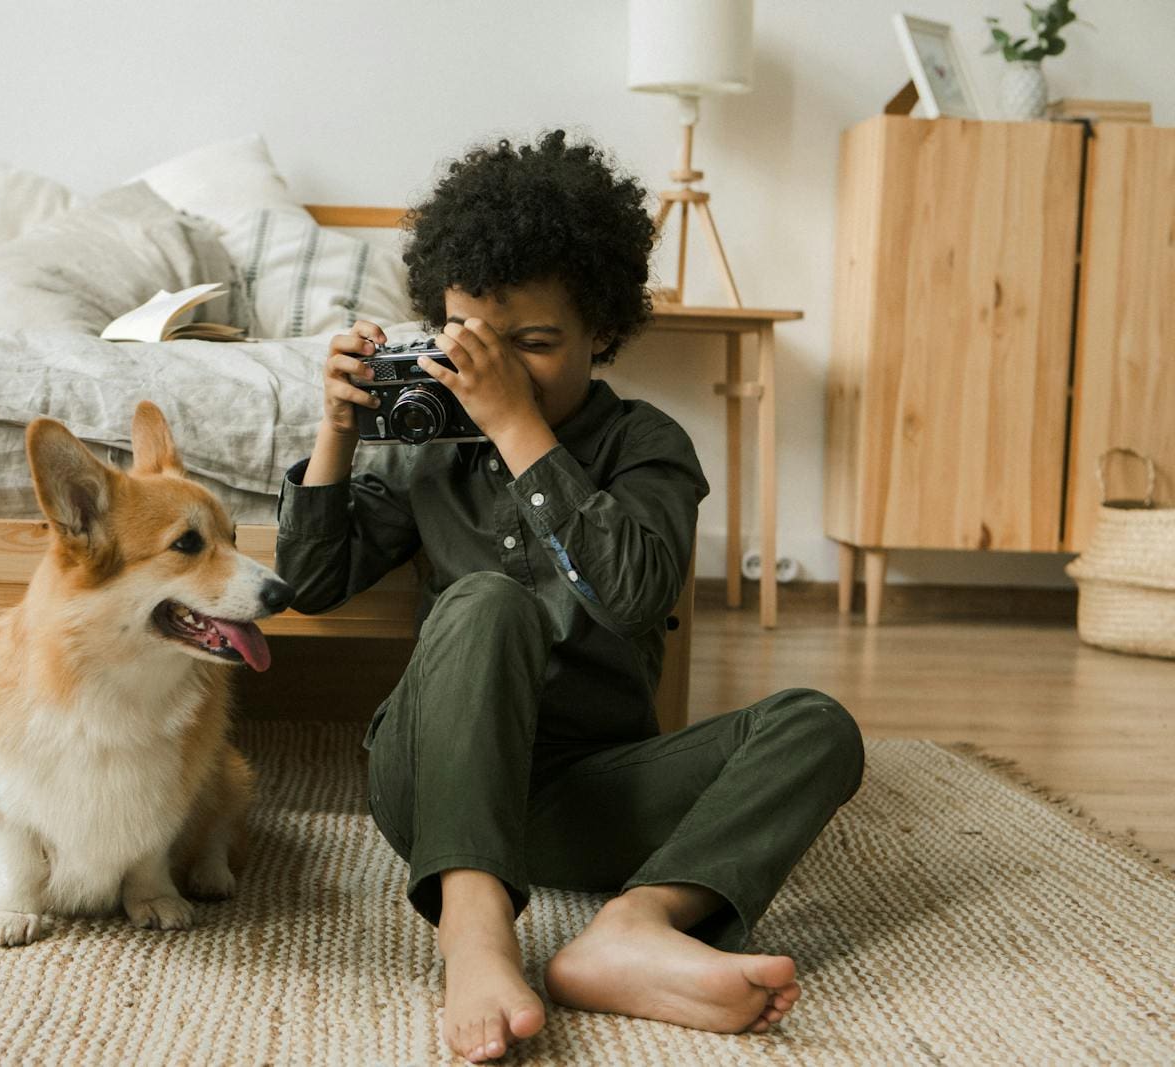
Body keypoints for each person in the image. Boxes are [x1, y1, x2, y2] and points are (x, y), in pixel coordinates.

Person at [273, 130, 864, 1063]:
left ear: (603, 330)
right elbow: (307, 583)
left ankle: (634, 926)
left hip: (591, 794)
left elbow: (632, 591)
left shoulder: (646, 444)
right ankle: (473, 929)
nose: (501, 370)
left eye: (536, 345)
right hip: (433, 786)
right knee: (488, 601)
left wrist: (514, 424)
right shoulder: (433, 447)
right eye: (478, 343)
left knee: (817, 724)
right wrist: (338, 431)